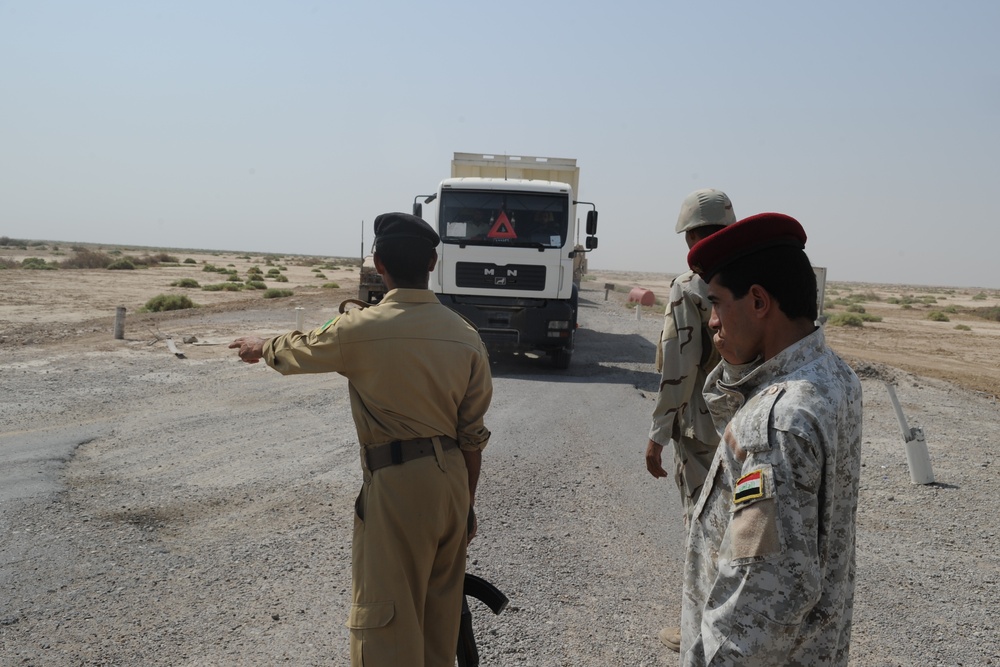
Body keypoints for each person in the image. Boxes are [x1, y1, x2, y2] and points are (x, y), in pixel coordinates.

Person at [229, 212, 493, 667]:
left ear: (378, 263)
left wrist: (260, 345)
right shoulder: (466, 335)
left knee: (386, 623)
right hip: (450, 485)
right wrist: (465, 506)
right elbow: (472, 438)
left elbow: (297, 350)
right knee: (439, 619)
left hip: (397, 485)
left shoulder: (362, 327)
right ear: (432, 262)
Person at [680, 212, 863, 665]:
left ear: (759, 301)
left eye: (718, 304)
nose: (712, 323)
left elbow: (760, 604)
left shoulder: (776, 422)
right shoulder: (834, 375)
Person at [644, 188, 736, 652]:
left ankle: (697, 632)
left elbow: (678, 369)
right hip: (751, 426)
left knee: (703, 530)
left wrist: (658, 434)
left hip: (703, 432)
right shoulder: (758, 279)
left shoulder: (692, 285)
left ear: (695, 237)